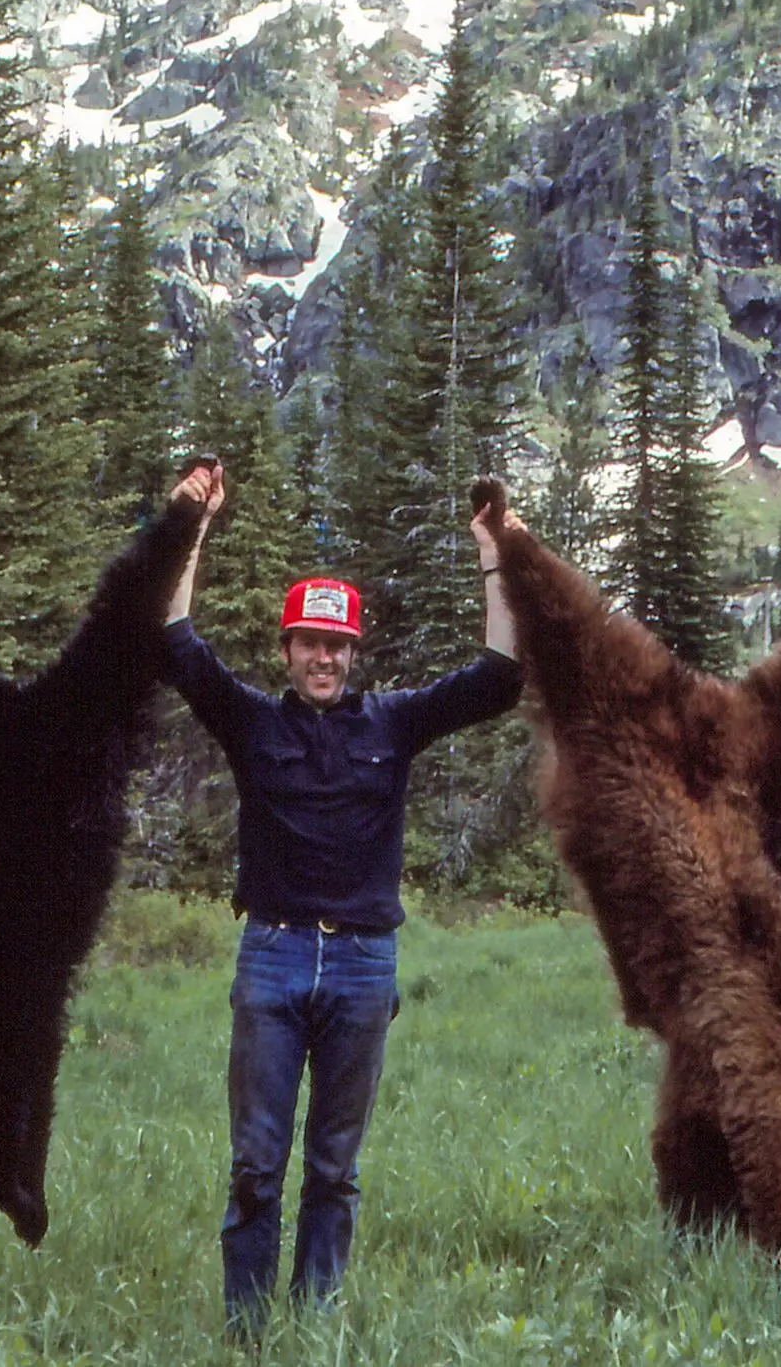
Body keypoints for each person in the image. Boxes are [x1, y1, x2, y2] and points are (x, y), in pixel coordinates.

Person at [161, 459, 522, 1327]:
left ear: (354, 652)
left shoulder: (392, 723)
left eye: (337, 644)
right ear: (286, 649)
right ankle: (249, 1336)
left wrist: (493, 551)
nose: (322, 657)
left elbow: (502, 674)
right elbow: (173, 635)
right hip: (272, 958)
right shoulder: (252, 718)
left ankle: (314, 1330)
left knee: (334, 1165)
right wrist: (193, 526)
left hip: (364, 965)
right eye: (308, 642)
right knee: (256, 1160)